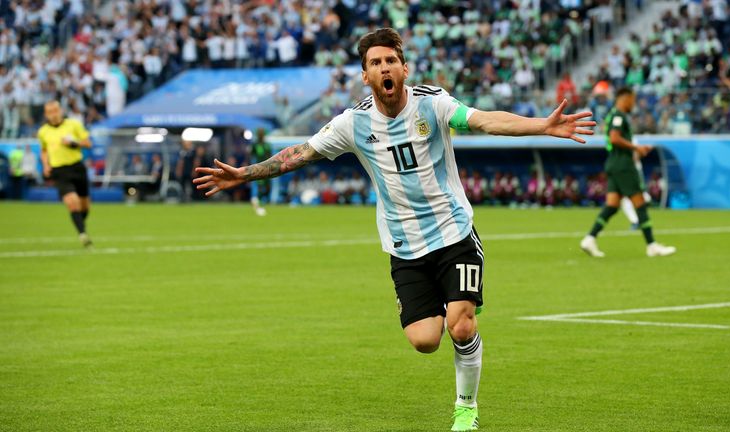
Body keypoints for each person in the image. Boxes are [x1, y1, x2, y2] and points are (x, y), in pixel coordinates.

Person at [194, 28, 595, 432]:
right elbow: (301, 153)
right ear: (365, 76)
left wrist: (541, 126)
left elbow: (485, 120)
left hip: (454, 233)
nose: (384, 68)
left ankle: (466, 409)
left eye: (390, 61)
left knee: (461, 323)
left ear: (403, 68)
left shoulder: (433, 105)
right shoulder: (354, 123)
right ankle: (453, 304)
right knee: (425, 340)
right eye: (375, 63)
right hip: (404, 245)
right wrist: (244, 175)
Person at [580, 88, 676, 258]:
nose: (633, 103)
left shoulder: (612, 115)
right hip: (623, 165)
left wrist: (636, 149)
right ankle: (652, 245)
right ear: (624, 99)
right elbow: (615, 138)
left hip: (614, 163)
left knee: (612, 205)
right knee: (640, 203)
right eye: (632, 100)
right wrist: (636, 147)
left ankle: (590, 238)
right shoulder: (618, 116)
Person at [38, 100, 93, 247]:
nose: (53, 115)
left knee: (85, 206)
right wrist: (45, 165)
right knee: (72, 201)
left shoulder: (73, 125)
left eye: (55, 111)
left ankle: (81, 226)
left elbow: (88, 143)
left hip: (77, 167)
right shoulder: (43, 132)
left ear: (61, 111)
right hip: (59, 171)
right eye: (50, 112)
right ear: (46, 114)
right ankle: (83, 235)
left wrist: (73, 143)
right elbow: (43, 150)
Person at [249, 128, 271, 216]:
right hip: (259, 168)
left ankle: (259, 201)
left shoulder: (267, 145)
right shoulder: (255, 144)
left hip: (268, 168)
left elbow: (270, 156)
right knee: (260, 186)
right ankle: (258, 203)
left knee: (267, 187)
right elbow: (251, 154)